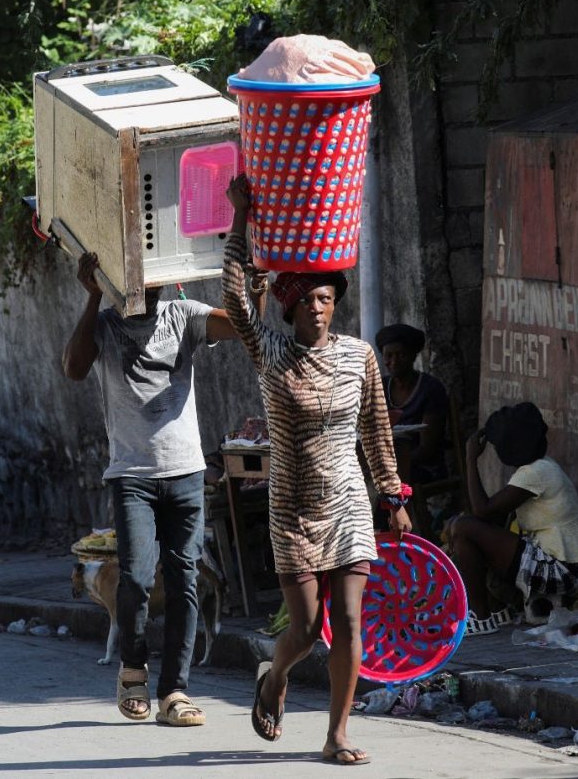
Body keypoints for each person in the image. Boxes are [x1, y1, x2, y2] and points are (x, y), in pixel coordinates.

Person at [222, 175, 411, 766]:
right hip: (293, 508)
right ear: (290, 307)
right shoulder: (273, 353)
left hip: (350, 502)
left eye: (326, 298)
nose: (318, 308)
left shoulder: (360, 356)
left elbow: (376, 429)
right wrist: (240, 219)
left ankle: (337, 735)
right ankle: (274, 675)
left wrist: (391, 494)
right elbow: (234, 302)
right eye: (307, 300)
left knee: (350, 621)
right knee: (304, 631)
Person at [62, 251, 240, 728]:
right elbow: (74, 368)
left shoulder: (185, 315)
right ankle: (133, 671)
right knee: (137, 578)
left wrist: (250, 279)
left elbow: (242, 326)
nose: (149, 285)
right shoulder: (103, 323)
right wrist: (93, 294)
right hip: (131, 475)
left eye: (157, 275)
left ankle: (175, 692)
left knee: (185, 581)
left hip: (185, 471)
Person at [450, 401, 578, 635]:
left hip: (562, 572)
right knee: (463, 530)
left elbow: (482, 511)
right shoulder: (540, 467)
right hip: (560, 566)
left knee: (464, 527)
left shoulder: (536, 472)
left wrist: (470, 460)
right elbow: (487, 517)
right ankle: (495, 610)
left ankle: (480, 617)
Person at [375, 323, 449, 484]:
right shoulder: (379, 387)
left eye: (401, 355)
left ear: (413, 356)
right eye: (388, 356)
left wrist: (391, 465)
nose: (394, 362)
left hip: (422, 466)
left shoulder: (430, 389)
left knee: (382, 482)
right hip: (388, 464)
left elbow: (427, 449)